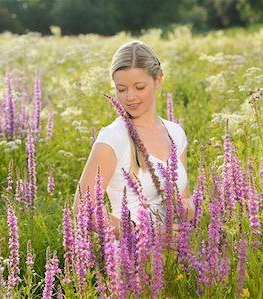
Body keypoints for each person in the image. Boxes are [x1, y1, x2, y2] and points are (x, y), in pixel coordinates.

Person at [74, 40, 194, 237]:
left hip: (178, 259)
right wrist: (145, 236)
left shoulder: (175, 133)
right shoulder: (113, 138)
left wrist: (185, 209)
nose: (130, 97)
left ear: (158, 80)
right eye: (121, 89)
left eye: (139, 87)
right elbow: (83, 209)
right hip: (133, 261)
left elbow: (186, 197)